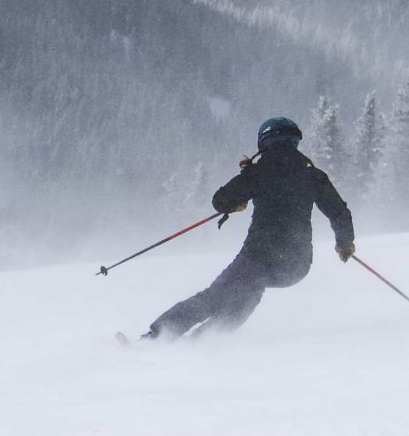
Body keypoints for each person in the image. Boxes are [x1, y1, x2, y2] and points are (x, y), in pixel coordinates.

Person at [144, 115, 354, 339]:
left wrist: (236, 204)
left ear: (264, 142)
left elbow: (220, 201)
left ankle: (159, 336)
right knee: (250, 291)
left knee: (218, 294)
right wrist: (344, 244)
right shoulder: (313, 176)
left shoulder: (259, 172)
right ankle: (206, 339)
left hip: (259, 255)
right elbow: (339, 212)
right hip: (296, 266)